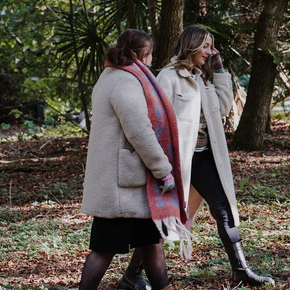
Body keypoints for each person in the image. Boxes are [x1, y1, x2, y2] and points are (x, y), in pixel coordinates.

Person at [153, 24, 275, 287]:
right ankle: (132, 275)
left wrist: (219, 71)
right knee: (166, 219)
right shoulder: (168, 77)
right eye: (206, 46)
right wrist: (161, 165)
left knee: (224, 210)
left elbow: (222, 107)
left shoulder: (201, 77)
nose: (210, 51)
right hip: (179, 162)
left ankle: (240, 271)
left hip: (204, 157)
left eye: (211, 47)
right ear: (192, 46)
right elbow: (158, 123)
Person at [79, 29, 189, 290]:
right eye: (149, 54)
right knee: (104, 249)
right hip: (122, 188)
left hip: (126, 183)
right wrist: (163, 169)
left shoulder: (110, 76)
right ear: (141, 55)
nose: (150, 60)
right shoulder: (126, 81)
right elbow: (140, 132)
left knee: (151, 242)